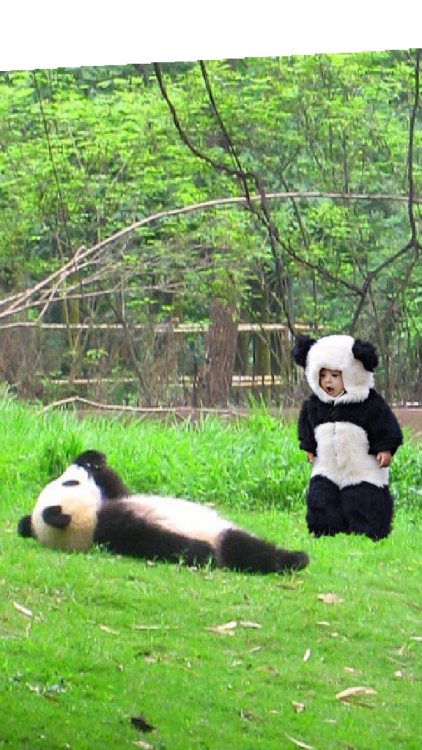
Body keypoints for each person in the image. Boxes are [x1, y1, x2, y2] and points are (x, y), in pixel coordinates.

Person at [292, 334, 403, 541]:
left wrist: (385, 448)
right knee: (321, 499)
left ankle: (369, 531)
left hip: (362, 470)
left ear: (353, 373)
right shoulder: (314, 405)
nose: (327, 381)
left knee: (363, 502)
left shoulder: (370, 404)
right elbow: (306, 426)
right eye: (323, 375)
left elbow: (385, 427)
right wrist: (308, 445)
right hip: (327, 469)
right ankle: (324, 530)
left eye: (335, 375)